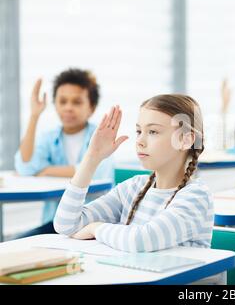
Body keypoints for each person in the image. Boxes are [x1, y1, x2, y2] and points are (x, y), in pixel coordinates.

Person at [54, 95, 213, 252]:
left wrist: (95, 229)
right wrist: (92, 157)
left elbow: (144, 240)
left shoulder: (196, 196)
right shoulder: (133, 188)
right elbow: (66, 225)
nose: (140, 141)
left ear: (185, 140)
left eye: (153, 132)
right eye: (139, 131)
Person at [14, 69, 113, 237]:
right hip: (56, 224)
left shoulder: (101, 135)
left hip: (92, 222)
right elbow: (25, 167)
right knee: (14, 243)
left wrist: (46, 171)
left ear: (91, 108)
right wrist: (34, 116)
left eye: (77, 102)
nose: (68, 108)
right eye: (62, 101)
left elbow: (97, 171)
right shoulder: (49, 137)